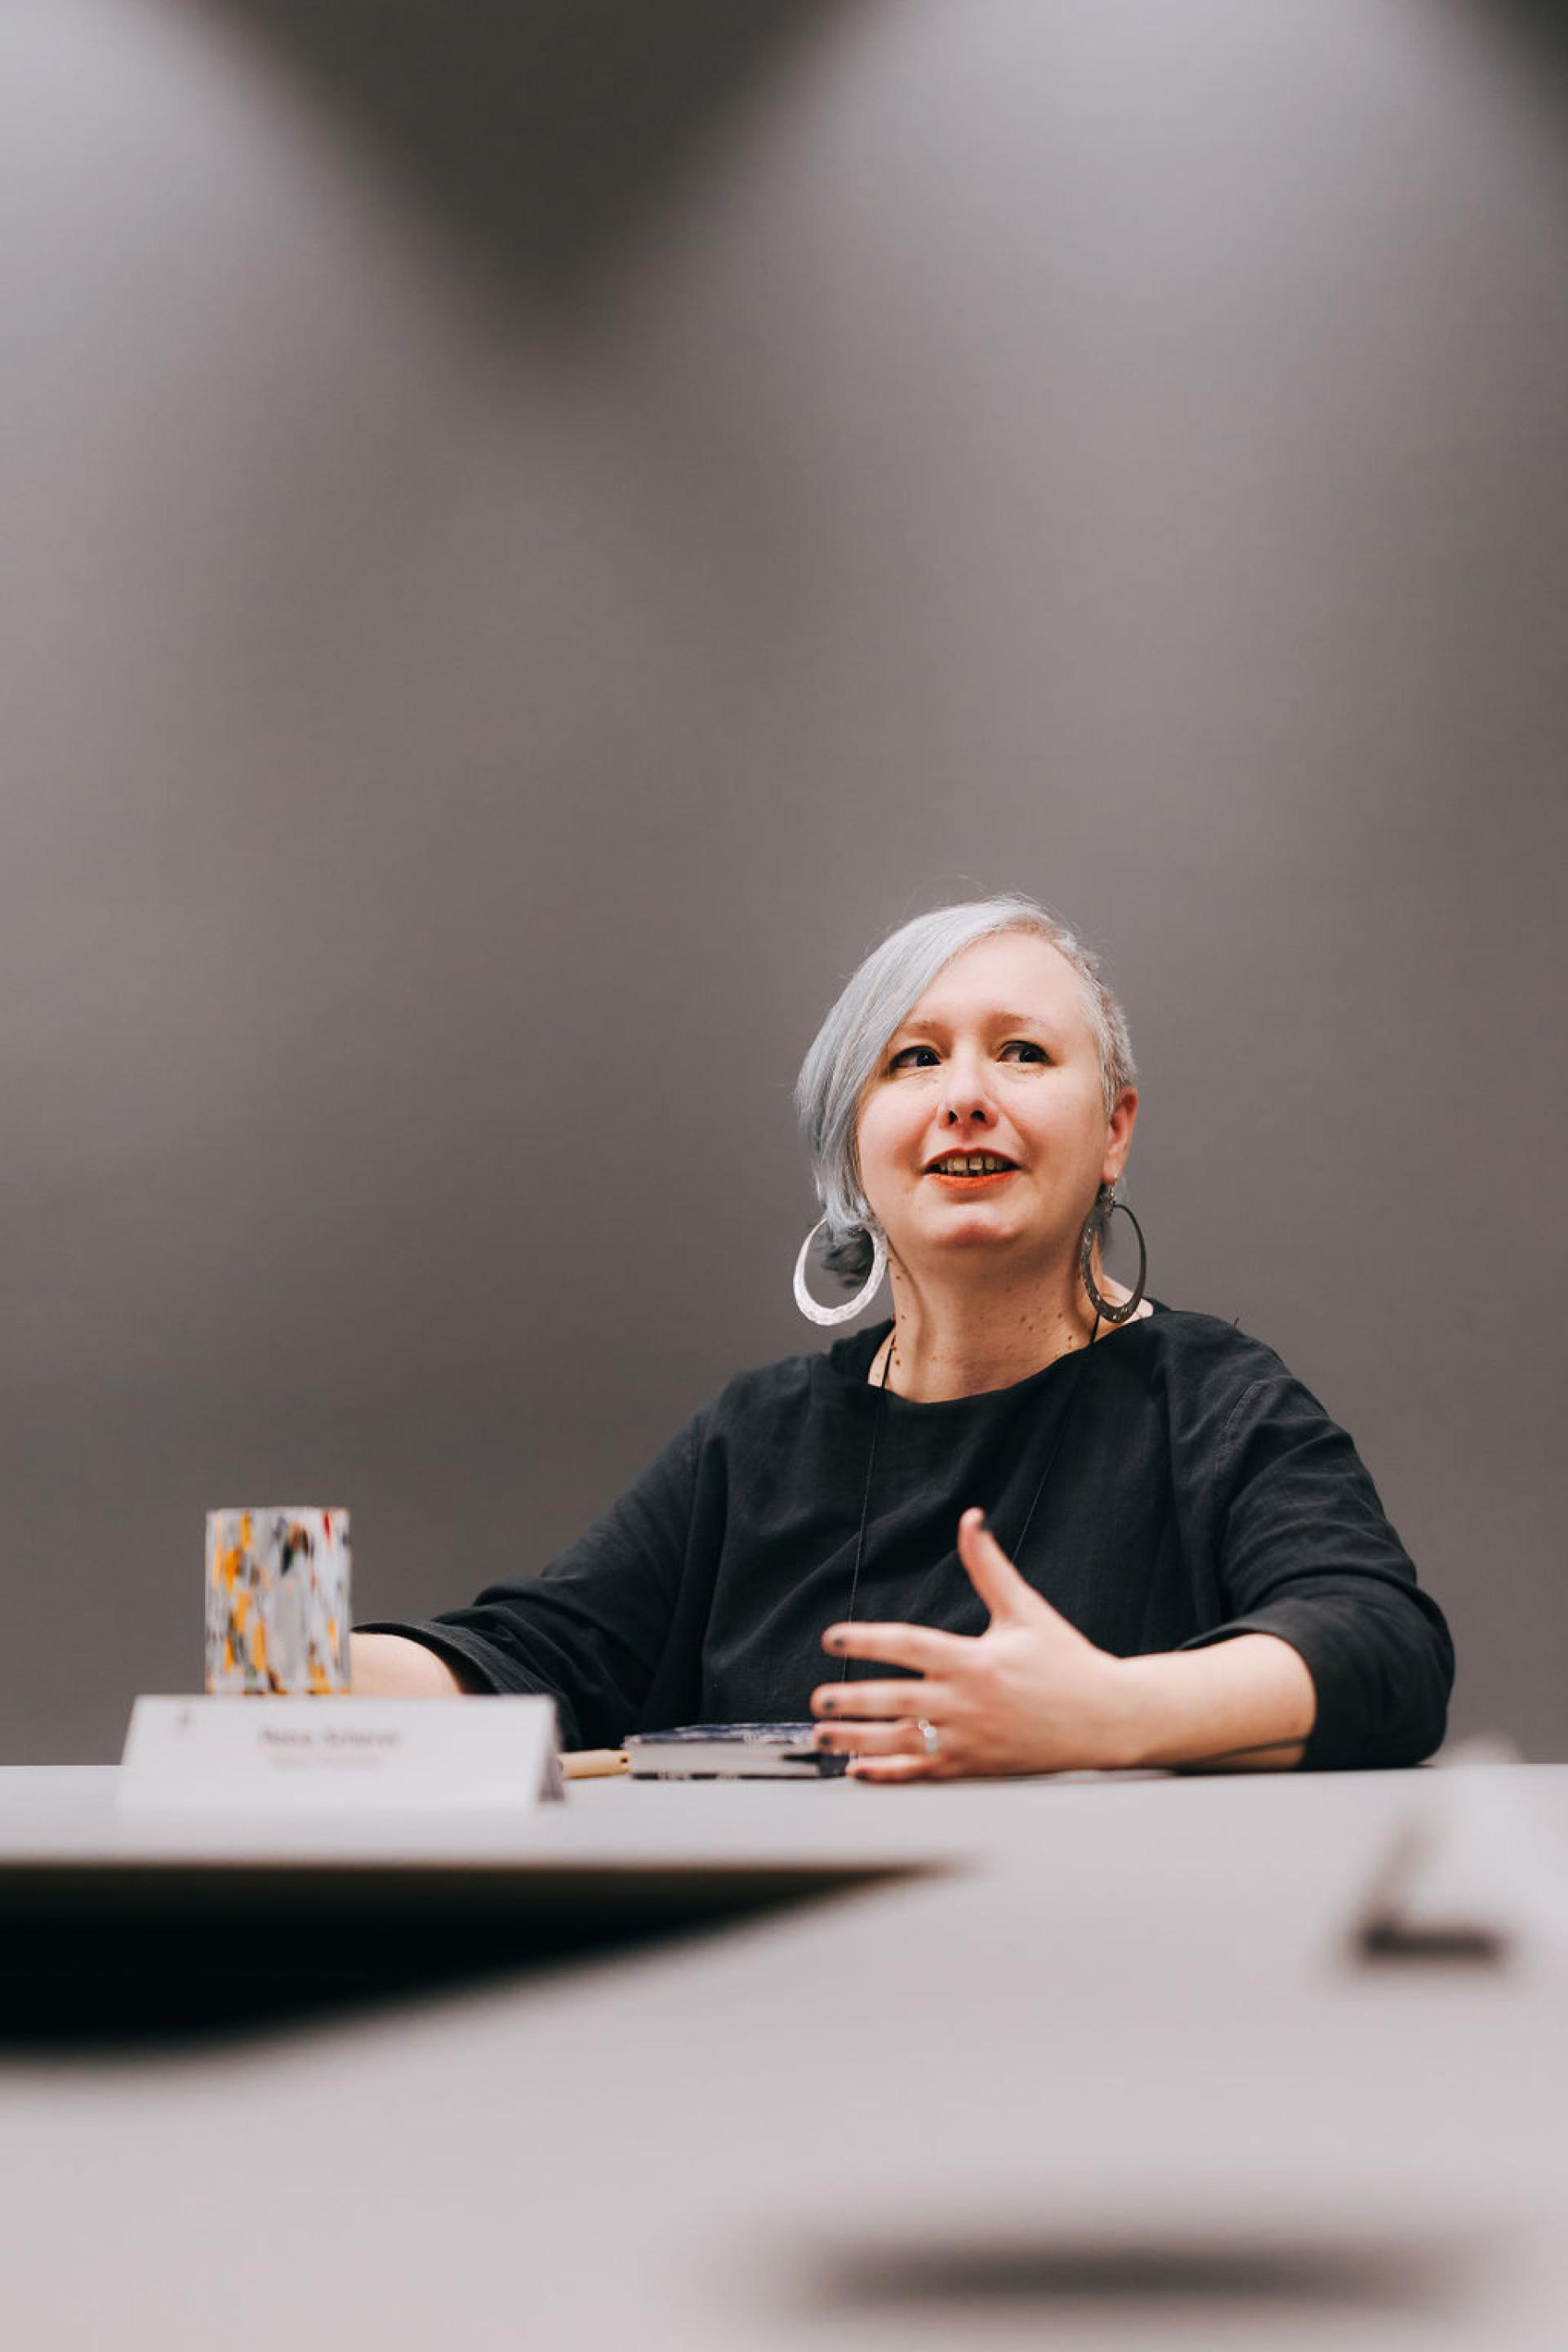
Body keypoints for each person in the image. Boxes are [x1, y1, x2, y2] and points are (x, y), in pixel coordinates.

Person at [351, 896, 1452, 1776]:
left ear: (1114, 1130)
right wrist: (297, 1667)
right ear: (851, 1146)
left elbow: (1383, 1647)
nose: (964, 1096)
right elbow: (541, 1660)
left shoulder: (1214, 1402)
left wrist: (1110, 1711)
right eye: (913, 1059)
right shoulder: (757, 1440)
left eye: (1022, 1052)